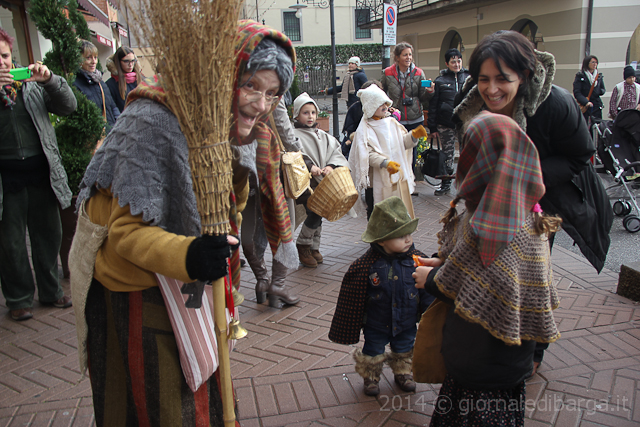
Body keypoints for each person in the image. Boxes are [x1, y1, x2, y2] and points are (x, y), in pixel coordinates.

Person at [71, 20, 296, 425]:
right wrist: (191, 255)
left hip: (191, 286)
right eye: (250, 86)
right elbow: (124, 234)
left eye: (272, 93)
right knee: (159, 406)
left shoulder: (231, 128)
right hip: (137, 290)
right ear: (221, 76)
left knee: (206, 393)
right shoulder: (152, 120)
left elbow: (230, 207)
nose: (260, 104)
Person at [454, 30, 612, 374]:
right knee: (489, 264)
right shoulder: (473, 103)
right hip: (492, 197)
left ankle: (531, 348)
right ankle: (490, 329)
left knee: (530, 273)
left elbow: (580, 155)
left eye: (502, 79)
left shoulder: (555, 103)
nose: (491, 89)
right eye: (483, 79)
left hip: (542, 198)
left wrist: (521, 174)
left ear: (524, 76)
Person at [413, 112, 561, 427]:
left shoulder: (495, 223)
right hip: (501, 358)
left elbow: (476, 286)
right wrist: (444, 262)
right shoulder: (520, 212)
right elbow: (474, 267)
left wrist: (432, 279)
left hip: (482, 361)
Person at [0, 28, 76, 321]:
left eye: (5, 55)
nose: (2, 62)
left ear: (12, 56)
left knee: (48, 235)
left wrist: (50, 80)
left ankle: (51, 290)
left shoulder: (30, 85)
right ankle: (19, 299)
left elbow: (69, 106)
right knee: (10, 243)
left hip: (41, 173)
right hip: (6, 181)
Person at [329, 196, 434, 396]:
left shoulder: (417, 261)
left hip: (406, 320)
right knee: (373, 350)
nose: (408, 239)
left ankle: (403, 372)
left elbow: (427, 290)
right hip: (376, 323)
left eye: (409, 234)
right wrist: (355, 321)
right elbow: (353, 297)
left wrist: (430, 314)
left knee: (405, 347)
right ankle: (371, 376)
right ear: (382, 239)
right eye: (400, 236)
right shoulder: (366, 265)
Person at [241, 96, 301, 308]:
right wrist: (298, 149)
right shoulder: (268, 84)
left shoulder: (233, 87)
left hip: (240, 158)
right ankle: (278, 284)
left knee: (248, 222)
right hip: (267, 157)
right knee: (283, 222)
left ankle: (262, 280)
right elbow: (282, 123)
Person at [348, 84, 427, 219]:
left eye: (386, 103)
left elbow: (402, 143)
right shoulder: (364, 129)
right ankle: (375, 232)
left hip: (394, 176)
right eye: (380, 104)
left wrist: (413, 136)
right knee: (375, 212)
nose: (385, 106)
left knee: (395, 209)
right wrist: (385, 163)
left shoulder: (392, 123)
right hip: (374, 180)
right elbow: (367, 154)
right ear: (371, 106)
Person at [291, 92, 350, 268]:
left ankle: (313, 247)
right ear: (296, 115)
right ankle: (303, 244)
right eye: (305, 113)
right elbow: (293, 155)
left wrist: (330, 166)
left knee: (321, 211)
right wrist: (310, 166)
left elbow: (334, 151)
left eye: (313, 112)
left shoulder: (321, 135)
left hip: (322, 182)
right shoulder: (293, 135)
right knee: (315, 211)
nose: (310, 116)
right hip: (304, 183)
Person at [381, 42, 434, 170]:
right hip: (396, 118)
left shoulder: (418, 73)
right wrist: (387, 107)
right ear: (397, 57)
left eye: (410, 55)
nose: (408, 57)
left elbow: (423, 98)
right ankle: (398, 175)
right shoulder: (387, 73)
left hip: (415, 118)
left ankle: (411, 175)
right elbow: (381, 93)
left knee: (413, 149)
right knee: (396, 148)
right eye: (405, 55)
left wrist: (430, 92)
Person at [427, 48, 470, 196]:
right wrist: (432, 127)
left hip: (464, 122)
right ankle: (445, 184)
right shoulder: (440, 81)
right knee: (447, 155)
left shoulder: (469, 78)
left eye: (458, 61)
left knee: (467, 154)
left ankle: (467, 185)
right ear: (447, 63)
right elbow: (433, 105)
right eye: (453, 62)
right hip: (445, 123)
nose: (456, 64)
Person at [74, 40, 120, 131]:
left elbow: (112, 107)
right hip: (94, 135)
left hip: (110, 133)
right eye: (88, 58)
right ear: (79, 59)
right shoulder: (76, 84)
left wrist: (119, 125)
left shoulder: (100, 82)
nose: (94, 61)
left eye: (95, 57)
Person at [105, 46, 143, 112]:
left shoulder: (142, 79)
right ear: (118, 62)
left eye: (133, 61)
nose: (130, 64)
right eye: (126, 61)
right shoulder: (110, 84)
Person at [573, 54, 606, 123]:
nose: (595, 64)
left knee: (597, 124)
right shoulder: (580, 75)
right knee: (585, 123)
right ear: (587, 63)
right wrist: (586, 102)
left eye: (596, 62)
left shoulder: (598, 76)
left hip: (596, 105)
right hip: (586, 104)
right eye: (593, 62)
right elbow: (577, 92)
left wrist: (599, 91)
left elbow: (602, 89)